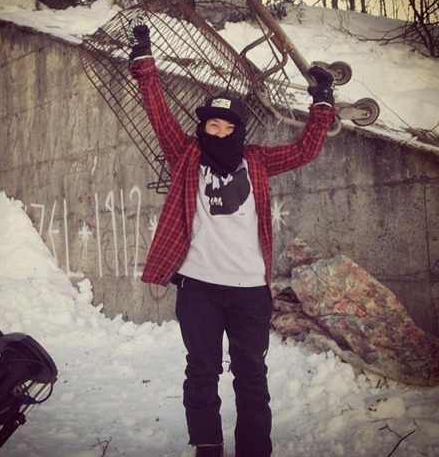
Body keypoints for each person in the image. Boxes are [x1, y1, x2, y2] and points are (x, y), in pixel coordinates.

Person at [128, 24, 337, 457]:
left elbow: (305, 151)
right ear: (202, 128)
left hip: (250, 291)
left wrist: (321, 102)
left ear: (239, 132)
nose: (220, 133)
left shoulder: (256, 160)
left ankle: (254, 449)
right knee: (202, 372)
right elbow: (158, 114)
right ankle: (208, 446)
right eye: (212, 125)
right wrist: (144, 61)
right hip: (198, 288)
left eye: (227, 127)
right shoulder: (186, 155)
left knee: (251, 375)